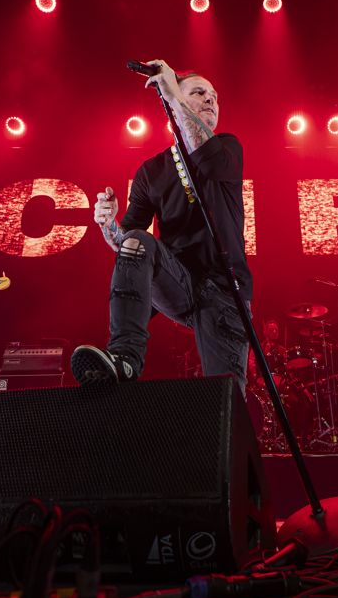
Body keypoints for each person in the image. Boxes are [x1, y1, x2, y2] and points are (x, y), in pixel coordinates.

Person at [71, 59, 252, 391]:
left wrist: (175, 96)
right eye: (199, 93)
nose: (212, 100)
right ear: (175, 100)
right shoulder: (151, 171)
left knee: (226, 398)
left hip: (225, 291)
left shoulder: (227, 147)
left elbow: (206, 158)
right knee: (138, 240)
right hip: (179, 282)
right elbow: (127, 245)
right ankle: (124, 357)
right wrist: (107, 225)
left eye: (214, 96)